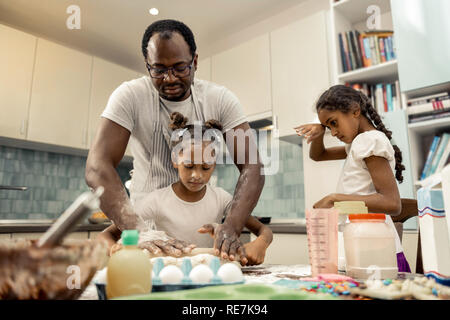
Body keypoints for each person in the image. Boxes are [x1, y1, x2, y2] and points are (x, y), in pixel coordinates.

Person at [86, 19, 265, 260]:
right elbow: (97, 166)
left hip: (200, 237)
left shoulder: (221, 99)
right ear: (147, 66)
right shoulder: (129, 96)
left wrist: (231, 226)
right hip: (144, 231)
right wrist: (138, 232)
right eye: (158, 70)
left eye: (180, 68)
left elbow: (252, 165)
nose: (169, 79)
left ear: (195, 62)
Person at [97, 112, 272, 266]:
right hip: (168, 274)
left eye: (205, 168)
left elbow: (264, 231)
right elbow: (106, 236)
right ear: (175, 159)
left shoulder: (221, 198)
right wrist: (115, 249)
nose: (197, 175)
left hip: (209, 274)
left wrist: (260, 244)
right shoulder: (157, 200)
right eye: (189, 166)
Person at [294, 84, 410, 272]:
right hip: (365, 245)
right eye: (327, 127)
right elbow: (318, 155)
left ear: (355, 111)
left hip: (378, 254)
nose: (333, 132)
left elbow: (392, 203)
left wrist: (334, 198)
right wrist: (319, 132)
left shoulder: (370, 141)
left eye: (333, 123)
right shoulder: (359, 143)